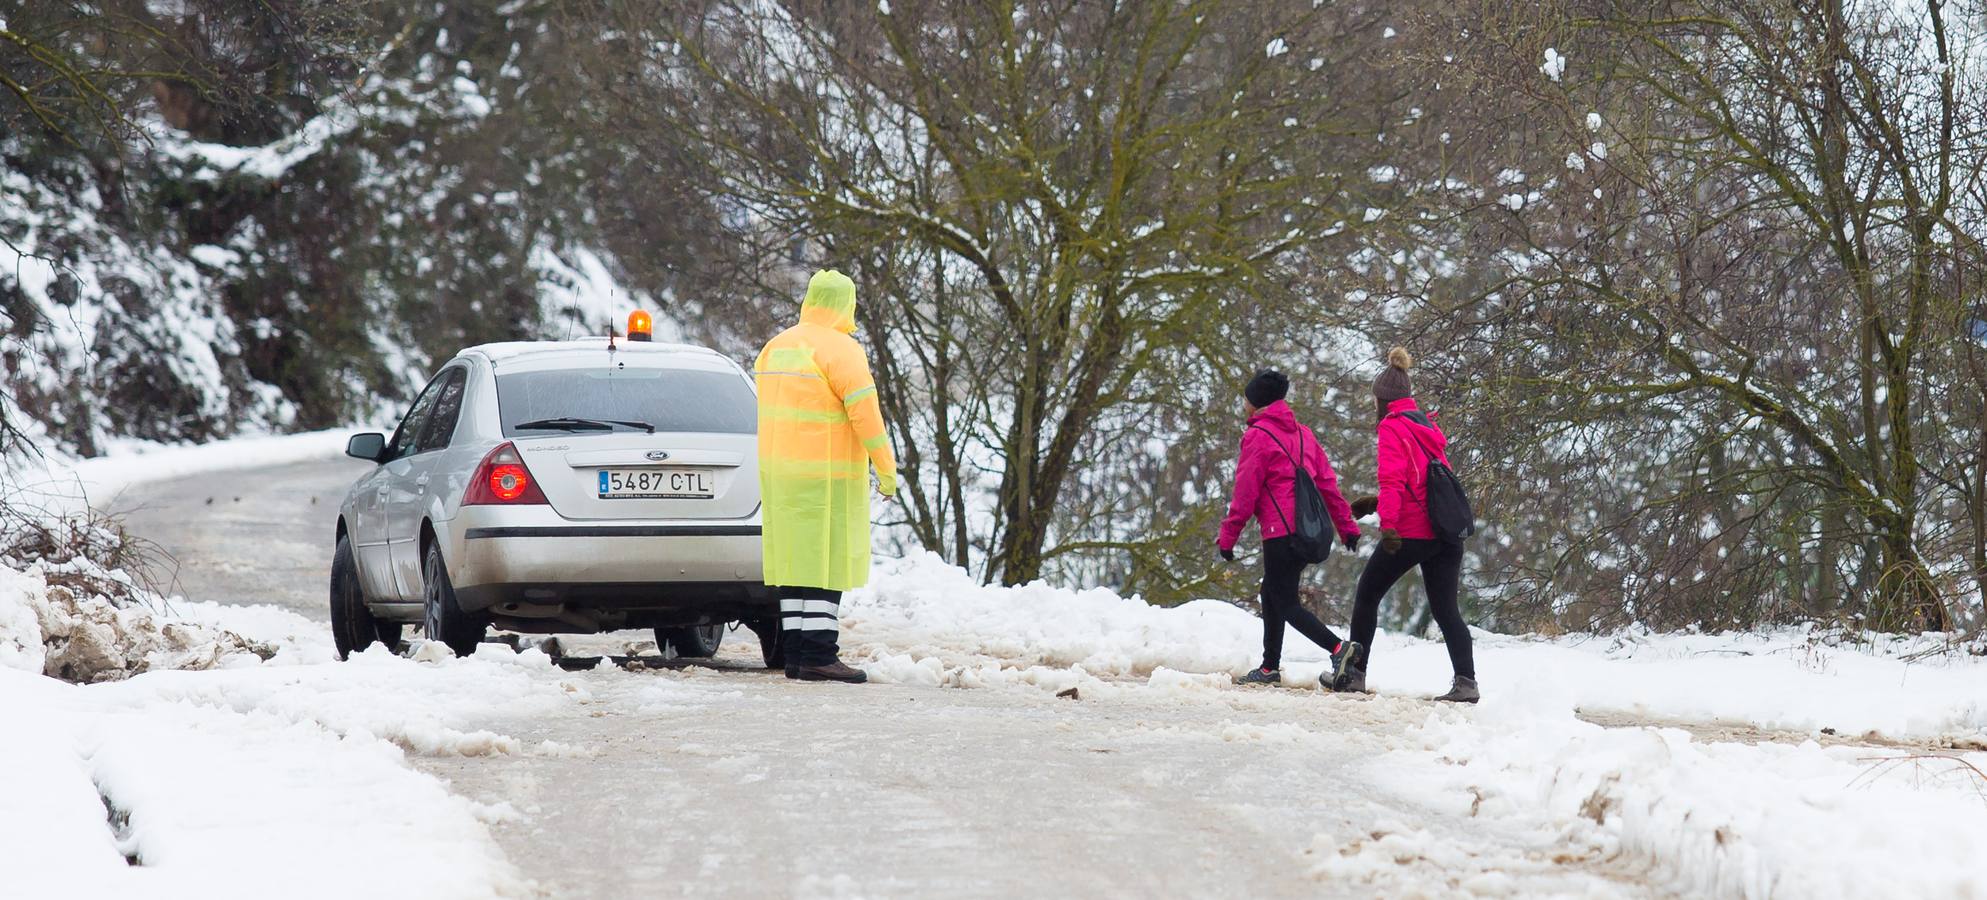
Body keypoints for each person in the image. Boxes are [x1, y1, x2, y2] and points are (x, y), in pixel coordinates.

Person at [755, 269, 898, 683]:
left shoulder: (774, 347)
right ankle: (819, 654)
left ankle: (797, 655)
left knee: (795, 562)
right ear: (845, 305)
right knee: (824, 563)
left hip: (779, 475)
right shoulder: (841, 350)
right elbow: (866, 415)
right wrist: (886, 470)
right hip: (825, 473)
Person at [1338, 348, 1478, 703]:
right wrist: (1373, 504)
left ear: (1383, 401)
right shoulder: (1426, 425)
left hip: (1412, 532)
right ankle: (1466, 683)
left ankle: (1354, 675)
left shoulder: (1391, 428)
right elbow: (1421, 481)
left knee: (1367, 595)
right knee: (1447, 609)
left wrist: (1389, 526)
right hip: (1444, 532)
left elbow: (1394, 481)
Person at [1216, 369, 1363, 688]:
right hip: (1308, 531)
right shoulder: (1303, 435)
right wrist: (1346, 527)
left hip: (1279, 531)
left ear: (1256, 404)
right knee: (1272, 592)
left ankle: (1338, 649)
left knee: (1284, 601)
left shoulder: (1258, 436)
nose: (1243, 404)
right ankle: (1269, 668)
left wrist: (1228, 537)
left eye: (1246, 398)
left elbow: (1245, 492)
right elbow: (1328, 484)